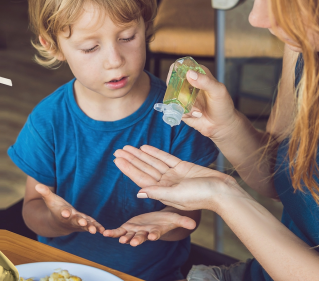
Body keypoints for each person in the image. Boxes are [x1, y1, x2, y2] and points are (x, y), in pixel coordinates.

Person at [7, 0, 219, 280]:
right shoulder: (48, 120)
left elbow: (188, 219)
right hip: (64, 273)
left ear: (147, 27)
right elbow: (33, 209)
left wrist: (165, 224)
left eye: (127, 38)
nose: (114, 60)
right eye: (90, 48)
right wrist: (57, 222)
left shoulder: (179, 115)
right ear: (53, 47)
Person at [113, 0, 319, 280]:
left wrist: (223, 198)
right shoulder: (302, 45)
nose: (256, 18)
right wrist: (226, 127)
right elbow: (284, 179)